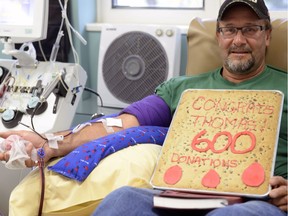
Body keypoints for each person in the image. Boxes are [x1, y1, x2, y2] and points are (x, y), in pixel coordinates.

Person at [0, 0, 287, 215]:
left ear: (268, 35)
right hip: (180, 193)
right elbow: (123, 124)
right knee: (121, 200)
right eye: (229, 30)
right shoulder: (182, 88)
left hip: (258, 200)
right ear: (218, 36)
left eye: (250, 29)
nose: (238, 40)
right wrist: (51, 143)